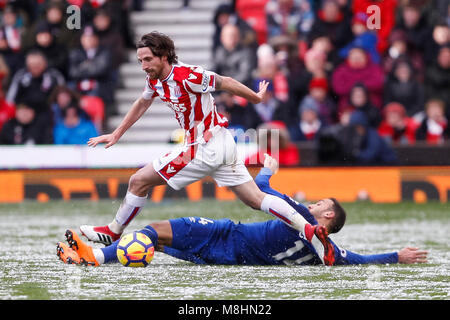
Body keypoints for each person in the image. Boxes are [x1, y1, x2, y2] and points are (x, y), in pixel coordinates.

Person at [82, 31, 336, 265]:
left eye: (148, 59)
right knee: (255, 199)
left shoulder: (188, 75)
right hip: (221, 143)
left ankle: (113, 231)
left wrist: (256, 97)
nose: (143, 66)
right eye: (140, 61)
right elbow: (141, 102)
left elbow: (225, 81)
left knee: (138, 181)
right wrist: (117, 133)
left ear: (164, 56)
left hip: (203, 146)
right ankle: (309, 228)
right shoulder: (155, 80)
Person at [56, 155, 428, 267]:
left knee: (154, 228)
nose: (314, 204)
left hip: (225, 235)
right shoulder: (324, 250)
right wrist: (397, 255)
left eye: (321, 204)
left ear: (327, 216)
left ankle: (95, 257)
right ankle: (89, 255)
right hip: (228, 259)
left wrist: (267, 165)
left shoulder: (303, 216)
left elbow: (262, 190)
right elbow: (360, 259)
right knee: (155, 244)